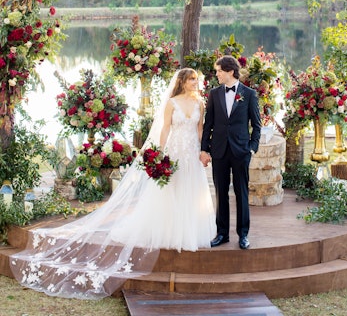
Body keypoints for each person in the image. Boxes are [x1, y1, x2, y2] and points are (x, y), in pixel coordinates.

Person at [10, 68, 216, 299]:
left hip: (191, 153)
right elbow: (165, 129)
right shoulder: (172, 102)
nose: (195, 83)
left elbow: (200, 130)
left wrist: (203, 151)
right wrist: (159, 154)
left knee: (190, 191)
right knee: (171, 190)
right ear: (182, 82)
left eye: (196, 80)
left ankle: (190, 230)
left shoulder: (200, 102)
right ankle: (170, 230)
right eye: (191, 79)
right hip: (174, 152)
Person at [200, 55, 261, 250]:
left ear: (230, 72)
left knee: (241, 192)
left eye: (219, 71)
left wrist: (252, 147)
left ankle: (243, 235)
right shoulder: (214, 94)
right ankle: (222, 234)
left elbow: (257, 124)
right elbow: (208, 124)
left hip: (241, 151)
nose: (216, 74)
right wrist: (204, 149)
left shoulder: (249, 94)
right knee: (221, 192)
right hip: (219, 151)